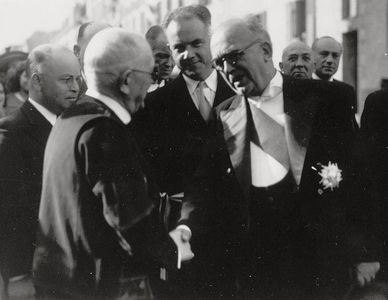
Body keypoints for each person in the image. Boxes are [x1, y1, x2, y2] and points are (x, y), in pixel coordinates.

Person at [176, 16, 380, 299]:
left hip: (320, 263)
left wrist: (365, 252)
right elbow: (203, 184)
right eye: (219, 62)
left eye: (233, 57)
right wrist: (187, 225)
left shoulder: (329, 99)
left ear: (266, 51)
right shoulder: (224, 112)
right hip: (255, 268)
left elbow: (361, 177)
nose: (226, 70)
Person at [33, 28, 178, 300]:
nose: (153, 83)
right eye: (149, 75)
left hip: (63, 283)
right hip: (100, 288)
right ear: (126, 80)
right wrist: (174, 249)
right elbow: (132, 225)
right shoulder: (105, 131)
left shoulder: (71, 118)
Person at [132, 4, 235, 298]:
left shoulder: (240, 94)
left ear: (212, 39)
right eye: (179, 47)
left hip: (235, 230)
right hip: (180, 232)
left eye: (197, 43)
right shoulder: (152, 106)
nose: (188, 55)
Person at [0, 44, 81, 298]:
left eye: (78, 79)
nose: (76, 88)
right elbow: (10, 213)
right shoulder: (10, 133)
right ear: (36, 81)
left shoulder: (73, 124)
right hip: (37, 276)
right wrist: (17, 275)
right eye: (66, 80)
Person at [73, 21, 111, 96]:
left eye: (110, 46)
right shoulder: (68, 93)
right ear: (77, 52)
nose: (104, 53)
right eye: (95, 46)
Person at [145, 25, 175, 92]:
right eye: (162, 57)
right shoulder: (133, 87)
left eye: (173, 58)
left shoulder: (177, 90)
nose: (169, 64)